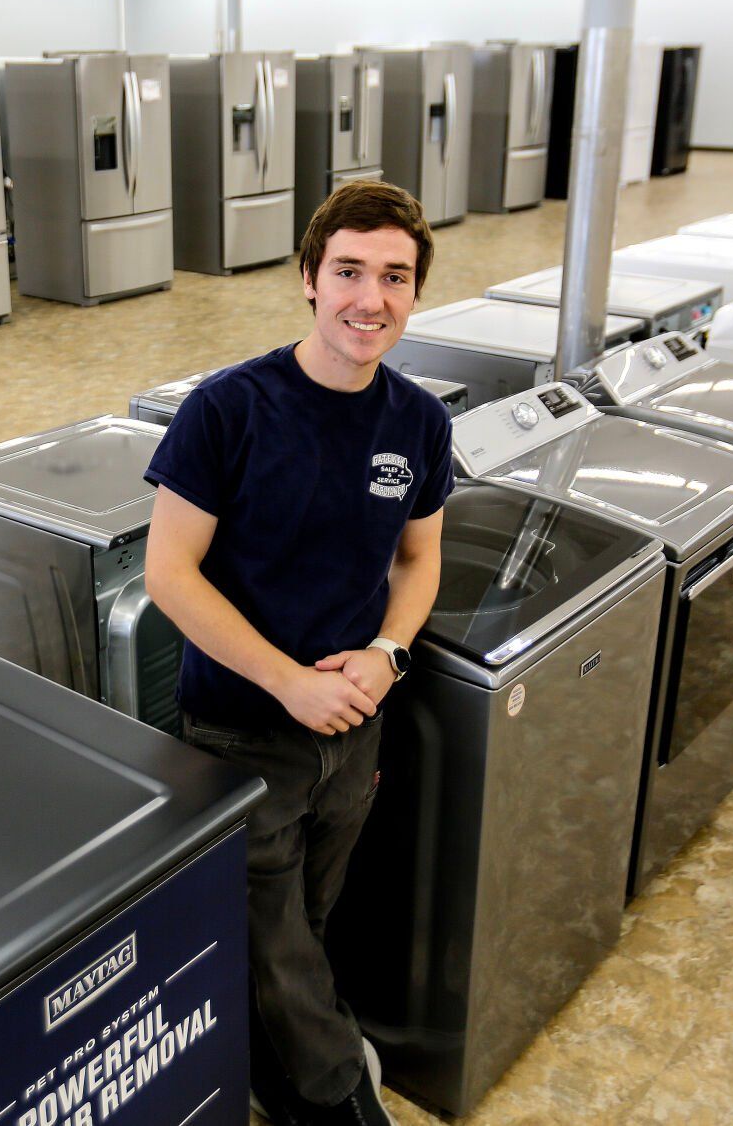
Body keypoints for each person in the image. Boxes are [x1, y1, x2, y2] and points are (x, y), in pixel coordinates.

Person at [143, 180, 452, 1126]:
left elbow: (419, 558)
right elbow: (170, 573)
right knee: (275, 942)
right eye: (349, 271)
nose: (371, 298)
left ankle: (266, 1073)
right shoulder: (229, 410)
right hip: (243, 732)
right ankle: (340, 1103)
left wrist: (388, 656)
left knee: (303, 928)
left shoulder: (417, 421)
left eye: (394, 277)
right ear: (308, 280)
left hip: (353, 731)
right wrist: (286, 683)